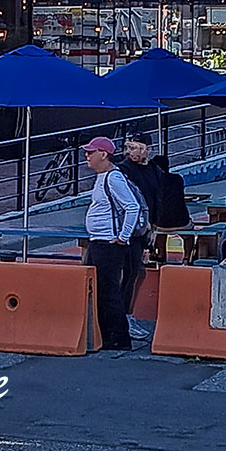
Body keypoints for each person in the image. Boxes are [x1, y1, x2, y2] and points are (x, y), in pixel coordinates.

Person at [82, 136, 139, 351]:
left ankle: (118, 338)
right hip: (100, 241)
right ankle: (107, 336)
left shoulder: (113, 178)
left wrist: (123, 237)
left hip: (109, 244)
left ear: (103, 154)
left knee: (108, 291)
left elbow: (131, 207)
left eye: (91, 152)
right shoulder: (104, 177)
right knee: (103, 290)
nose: (87, 156)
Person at [118, 131, 160, 342]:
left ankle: (126, 314)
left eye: (136, 147)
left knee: (137, 272)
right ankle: (124, 316)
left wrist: (153, 226)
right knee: (131, 272)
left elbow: (156, 196)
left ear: (147, 149)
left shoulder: (153, 169)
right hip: (129, 229)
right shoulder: (124, 170)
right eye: (129, 147)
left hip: (145, 228)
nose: (131, 152)